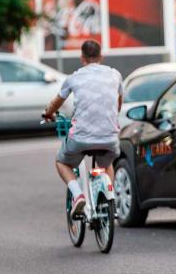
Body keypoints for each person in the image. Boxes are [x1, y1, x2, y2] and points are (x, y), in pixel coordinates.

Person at [43, 40, 123, 218]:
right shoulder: (115, 75)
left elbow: (57, 102)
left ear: (82, 58)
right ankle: (110, 204)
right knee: (106, 164)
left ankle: (78, 194)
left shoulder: (74, 77)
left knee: (61, 161)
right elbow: (118, 104)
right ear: (101, 57)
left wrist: (48, 113)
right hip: (110, 138)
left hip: (81, 138)